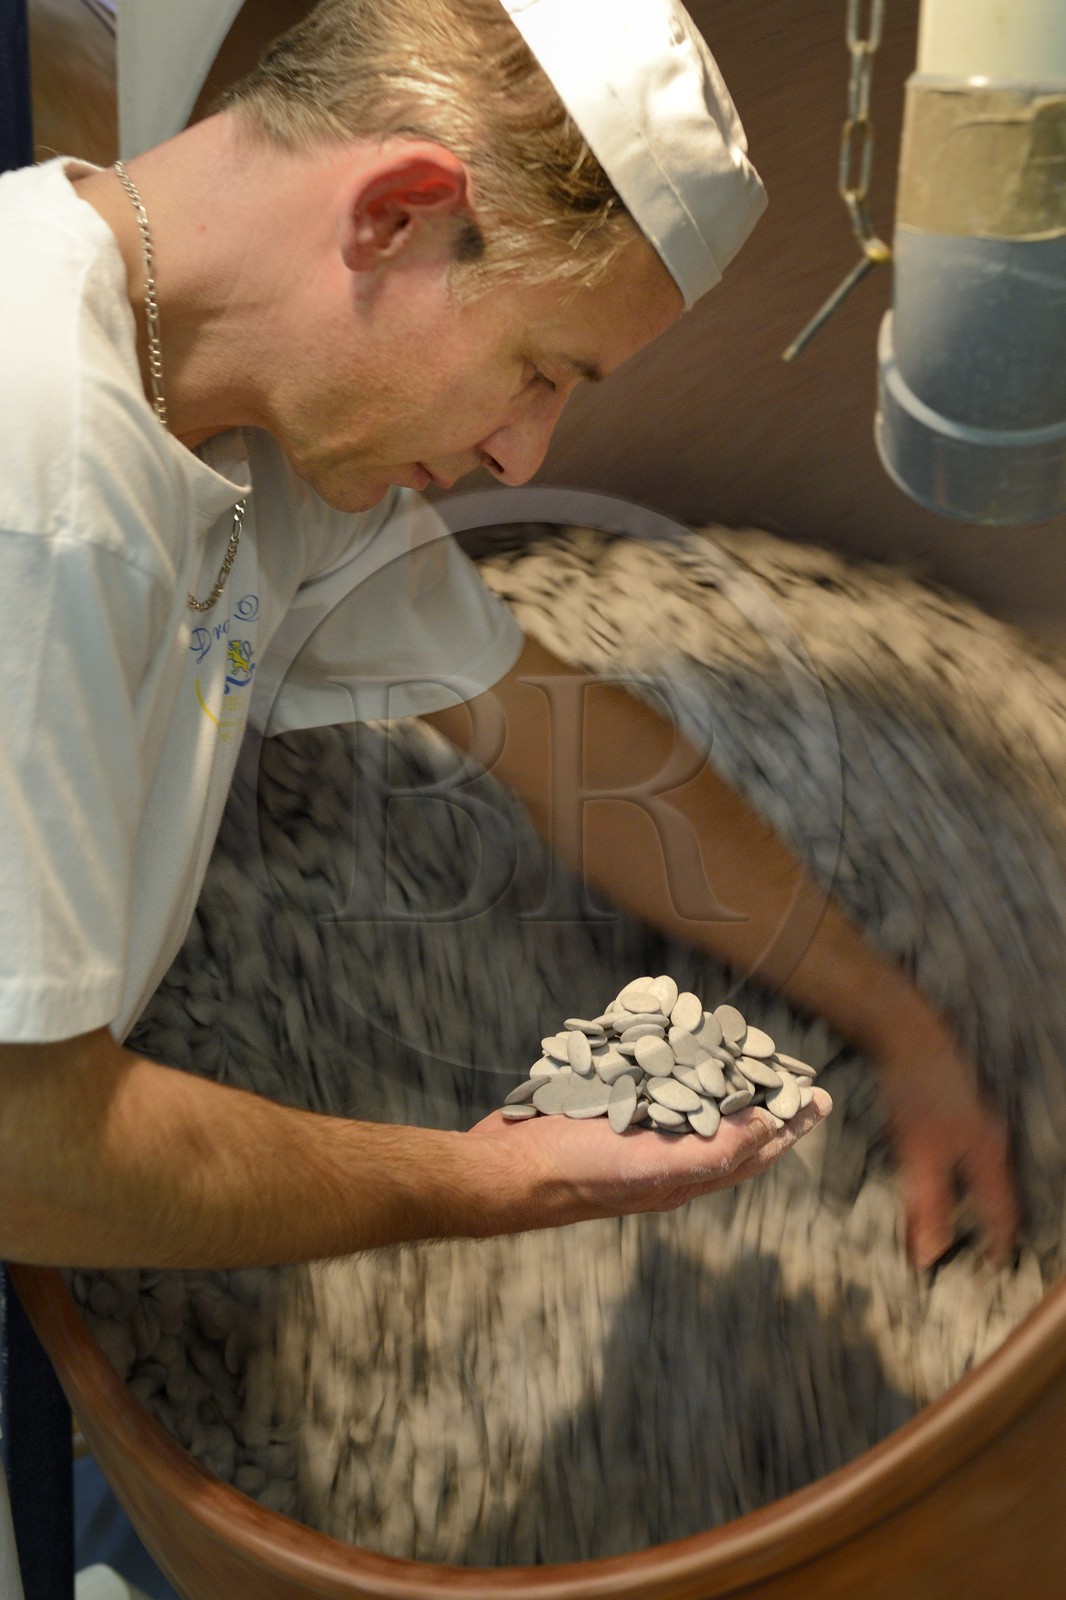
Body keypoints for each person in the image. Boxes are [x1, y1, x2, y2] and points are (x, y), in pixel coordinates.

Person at [0, 0, 1016, 1582]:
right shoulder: (41, 486)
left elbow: (562, 737)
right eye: (541, 367)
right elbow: (34, 1152)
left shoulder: (236, 412)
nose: (523, 449)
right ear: (395, 215)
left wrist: (900, 1025)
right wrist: (500, 1180)